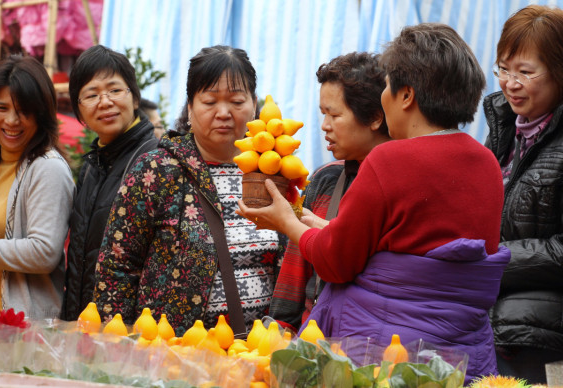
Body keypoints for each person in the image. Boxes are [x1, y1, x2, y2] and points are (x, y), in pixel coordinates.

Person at [238, 23, 510, 383]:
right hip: (460, 355)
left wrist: (287, 223)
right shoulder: (487, 163)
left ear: (406, 96)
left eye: (386, 87)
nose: (382, 97)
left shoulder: (390, 161)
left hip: (390, 355)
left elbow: (338, 263)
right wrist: (311, 222)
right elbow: (409, 244)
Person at [93, 45, 285, 336]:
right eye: (209, 101)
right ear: (191, 107)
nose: (223, 113)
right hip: (173, 359)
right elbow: (116, 267)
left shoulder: (275, 172)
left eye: (236, 100)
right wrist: (119, 347)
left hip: (254, 357)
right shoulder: (156, 170)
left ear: (254, 104)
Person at [269, 52, 390, 332]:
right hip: (311, 342)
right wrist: (277, 332)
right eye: (323, 114)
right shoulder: (326, 178)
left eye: (334, 115)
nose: (324, 126)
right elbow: (294, 273)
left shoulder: (400, 184)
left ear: (374, 117)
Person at [484, 5, 563, 384]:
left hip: (544, 336)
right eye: (503, 68)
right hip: (491, 323)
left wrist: (491, 260)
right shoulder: (504, 131)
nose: (510, 83)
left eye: (525, 73)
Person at [0, 55, 74, 319]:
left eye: (23, 110)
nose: (12, 121)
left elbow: (44, 253)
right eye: (2, 108)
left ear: (42, 114)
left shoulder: (48, 168)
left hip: (21, 331)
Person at [61, 45, 159, 321]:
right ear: (79, 111)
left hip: (130, 333)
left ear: (135, 98)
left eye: (115, 90)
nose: (104, 102)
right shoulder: (92, 166)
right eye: (91, 95)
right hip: (85, 326)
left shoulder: (156, 161)